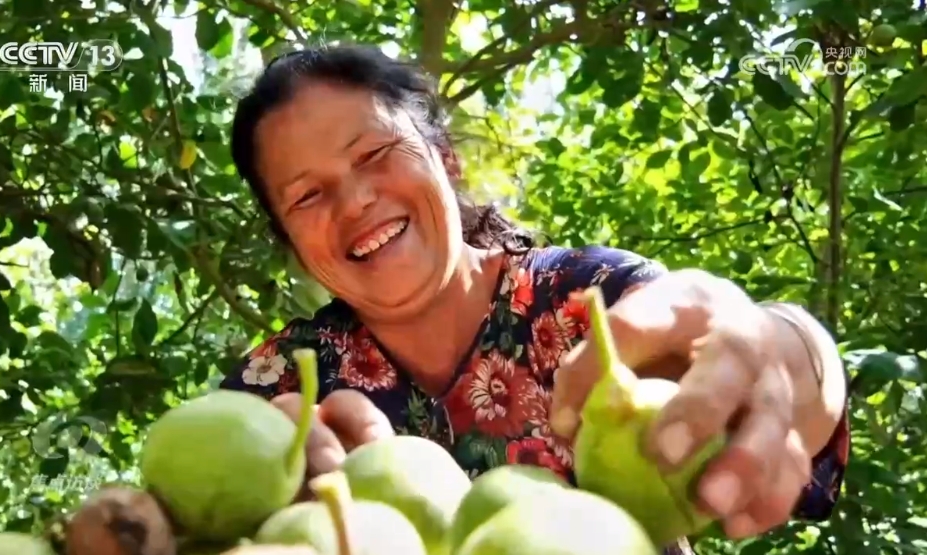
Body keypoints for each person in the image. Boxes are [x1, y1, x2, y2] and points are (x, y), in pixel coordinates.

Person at [224, 45, 850, 555]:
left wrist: (788, 347)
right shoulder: (273, 392)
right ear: (290, 239)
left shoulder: (592, 303)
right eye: (307, 196)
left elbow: (760, 368)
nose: (355, 200)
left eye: (375, 153)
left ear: (445, 160)